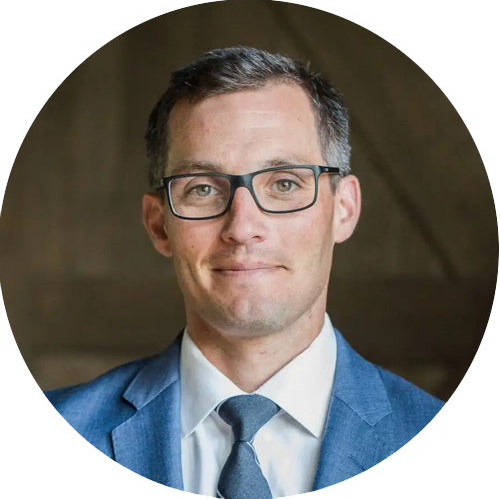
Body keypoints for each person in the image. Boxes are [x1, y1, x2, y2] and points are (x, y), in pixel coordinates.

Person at [45, 46, 444, 498]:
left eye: (285, 183)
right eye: (202, 189)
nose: (242, 228)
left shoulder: (451, 444)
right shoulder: (47, 440)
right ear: (159, 225)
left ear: (344, 209)